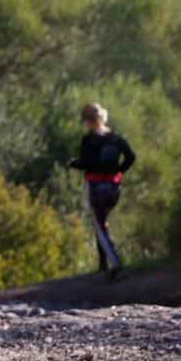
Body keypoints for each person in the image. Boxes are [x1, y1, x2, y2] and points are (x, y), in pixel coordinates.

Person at [69, 101, 135, 278]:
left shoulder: (89, 139)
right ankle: (102, 265)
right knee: (103, 222)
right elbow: (131, 157)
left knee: (99, 226)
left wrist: (73, 163)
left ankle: (116, 265)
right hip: (114, 187)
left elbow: (85, 163)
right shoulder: (116, 137)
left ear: (89, 121)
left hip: (96, 187)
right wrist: (119, 170)